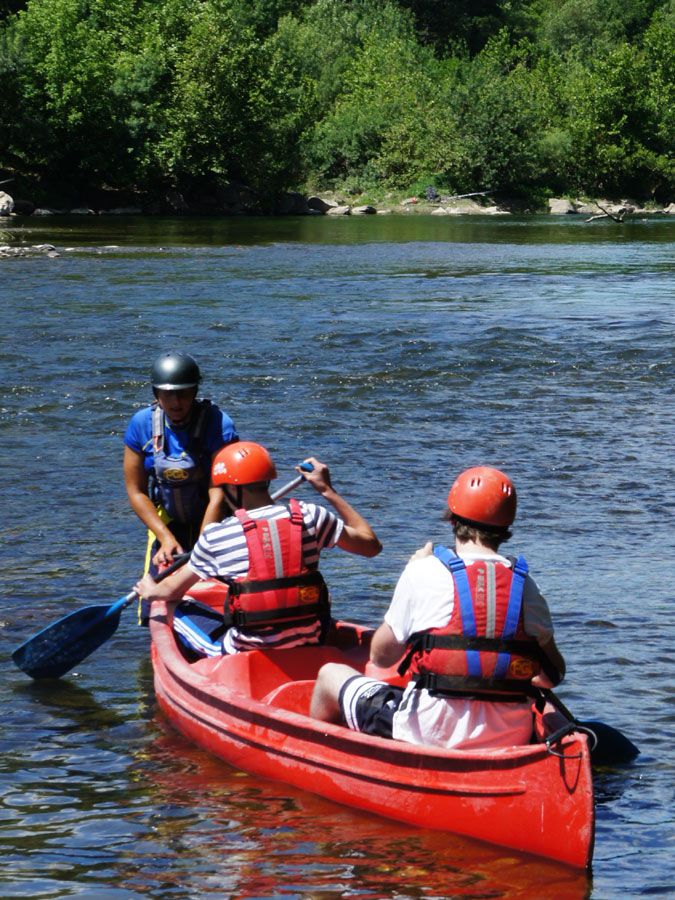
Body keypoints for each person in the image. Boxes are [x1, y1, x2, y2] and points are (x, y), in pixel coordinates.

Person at [310, 466, 566, 751]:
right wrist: (501, 669)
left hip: (428, 733)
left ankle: (323, 759)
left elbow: (381, 657)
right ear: (506, 529)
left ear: (453, 521)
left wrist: (410, 570)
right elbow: (552, 677)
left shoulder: (423, 571)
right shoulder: (527, 586)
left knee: (330, 675)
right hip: (511, 738)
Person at [133, 442, 382, 655]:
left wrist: (150, 589)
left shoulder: (217, 536)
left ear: (231, 490)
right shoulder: (312, 516)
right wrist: (327, 490)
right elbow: (371, 546)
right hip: (312, 637)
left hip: (244, 648)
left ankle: (203, 663)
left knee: (173, 606)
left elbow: (171, 591)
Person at [124, 351, 238, 622]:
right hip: (168, 521)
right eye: (168, 394)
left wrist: (203, 546)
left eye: (184, 393)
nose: (176, 402)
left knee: (221, 594)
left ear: (195, 392)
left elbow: (218, 492)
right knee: (154, 601)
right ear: (156, 394)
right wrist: (165, 538)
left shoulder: (219, 424)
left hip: (216, 521)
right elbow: (136, 491)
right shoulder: (141, 425)